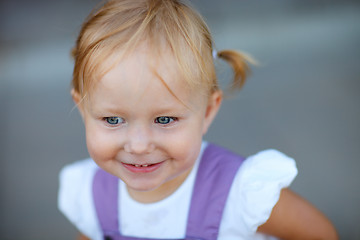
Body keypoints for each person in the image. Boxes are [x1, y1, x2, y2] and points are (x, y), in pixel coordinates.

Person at [58, 0, 338, 239]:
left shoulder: (239, 193)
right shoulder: (90, 196)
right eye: (113, 120)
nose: (139, 145)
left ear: (206, 112)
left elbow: (320, 234)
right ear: (83, 110)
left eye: (165, 119)